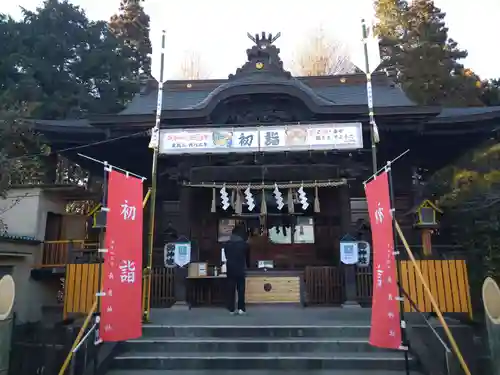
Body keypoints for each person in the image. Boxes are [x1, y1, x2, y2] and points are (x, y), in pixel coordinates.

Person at [224, 223, 249, 315]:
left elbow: (226, 256)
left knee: (231, 289)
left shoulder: (227, 244)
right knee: (241, 290)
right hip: (240, 269)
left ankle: (231, 308)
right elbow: (247, 259)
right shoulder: (244, 245)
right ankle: (241, 308)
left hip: (230, 269)